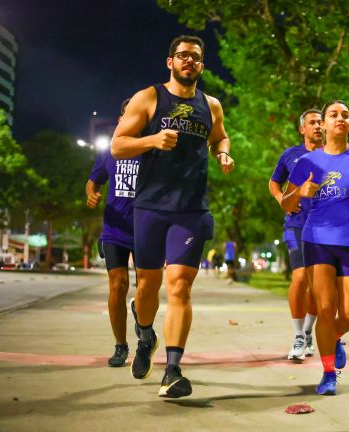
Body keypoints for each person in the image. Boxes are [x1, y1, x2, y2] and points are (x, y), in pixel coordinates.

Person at [111, 35, 234, 398]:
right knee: (148, 288)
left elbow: (220, 137)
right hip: (150, 207)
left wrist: (223, 154)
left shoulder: (211, 104)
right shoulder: (149, 98)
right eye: (182, 56)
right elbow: (118, 145)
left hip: (191, 210)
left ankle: (174, 371)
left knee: (180, 286)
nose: (188, 61)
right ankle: (145, 335)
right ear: (170, 62)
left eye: (195, 57)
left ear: (201, 64)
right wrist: (151, 141)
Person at [281, 100, 349, 395]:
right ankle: (329, 373)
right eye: (333, 115)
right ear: (324, 125)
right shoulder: (308, 162)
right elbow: (286, 202)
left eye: (345, 115)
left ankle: (335, 337)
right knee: (325, 309)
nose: (340, 118)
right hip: (316, 240)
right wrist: (299, 192)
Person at [85, 98, 139, 367]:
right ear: (121, 120)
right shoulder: (109, 152)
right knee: (118, 285)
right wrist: (91, 193)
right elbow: (93, 181)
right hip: (114, 229)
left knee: (147, 289)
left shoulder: (152, 150)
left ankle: (140, 313)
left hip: (145, 229)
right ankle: (120, 346)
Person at [269, 109, 323, 362]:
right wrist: (284, 200)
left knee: (316, 284)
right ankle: (298, 335)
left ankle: (309, 331)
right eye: (313, 122)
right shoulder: (291, 155)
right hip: (296, 224)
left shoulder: (334, 155)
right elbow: (274, 182)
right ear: (302, 129)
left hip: (324, 227)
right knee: (300, 277)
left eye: (321, 122)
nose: (318, 126)